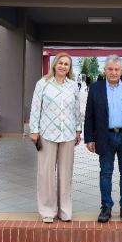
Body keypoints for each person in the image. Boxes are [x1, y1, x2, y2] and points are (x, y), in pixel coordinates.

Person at [84, 55, 122, 223]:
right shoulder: (95, 88)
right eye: (110, 69)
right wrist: (89, 138)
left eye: (116, 69)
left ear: (121, 71)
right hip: (104, 137)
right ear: (105, 70)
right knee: (106, 172)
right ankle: (106, 207)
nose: (113, 72)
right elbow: (89, 115)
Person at [29, 52, 82, 223]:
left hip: (68, 134)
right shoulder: (42, 83)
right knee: (46, 174)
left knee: (66, 174)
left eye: (66, 64)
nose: (63, 66)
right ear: (54, 64)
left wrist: (78, 130)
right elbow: (35, 108)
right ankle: (47, 211)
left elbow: (76, 109)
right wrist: (34, 130)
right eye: (60, 63)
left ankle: (65, 210)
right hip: (47, 134)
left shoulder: (73, 86)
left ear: (69, 68)